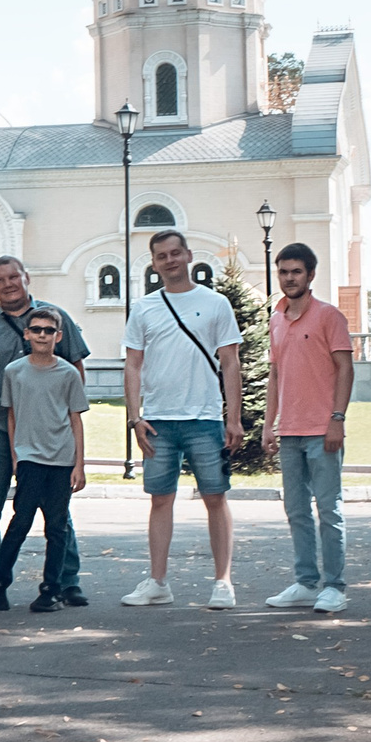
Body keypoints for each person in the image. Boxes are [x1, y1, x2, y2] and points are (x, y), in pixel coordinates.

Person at [120, 229, 244, 610]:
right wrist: (134, 418)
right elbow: (133, 365)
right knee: (160, 500)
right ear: (154, 263)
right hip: (158, 420)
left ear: (189, 256)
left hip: (204, 417)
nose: (170, 260)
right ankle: (158, 581)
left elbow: (230, 362)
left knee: (215, 497)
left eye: (176, 253)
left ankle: (223, 581)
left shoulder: (216, 303)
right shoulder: (143, 308)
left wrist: (234, 418)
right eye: (162, 256)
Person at [0, 255, 91, 607]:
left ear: (26, 277)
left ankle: (67, 580)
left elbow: (77, 366)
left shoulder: (53, 317)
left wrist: (65, 412)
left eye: (13, 277)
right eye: (0, 279)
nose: (8, 284)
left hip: (48, 430)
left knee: (57, 510)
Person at [263, 241, 355, 615]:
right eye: (283, 272)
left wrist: (337, 418)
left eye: (296, 271)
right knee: (296, 510)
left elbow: (345, 369)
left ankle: (335, 587)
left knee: (329, 511)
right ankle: (305, 582)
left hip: (322, 430)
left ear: (311, 275)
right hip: (290, 432)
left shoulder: (329, 316)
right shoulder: (276, 319)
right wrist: (269, 425)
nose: (289, 278)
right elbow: (275, 374)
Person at [0, 308, 89, 614]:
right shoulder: (14, 372)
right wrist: (17, 456)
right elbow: (12, 415)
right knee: (20, 522)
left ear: (58, 336)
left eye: (48, 330)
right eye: (36, 329)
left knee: (57, 527)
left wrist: (79, 464)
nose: (42, 335)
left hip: (61, 459)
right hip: (30, 458)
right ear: (26, 334)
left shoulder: (68, 373)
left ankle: (51, 589)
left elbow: (76, 419)